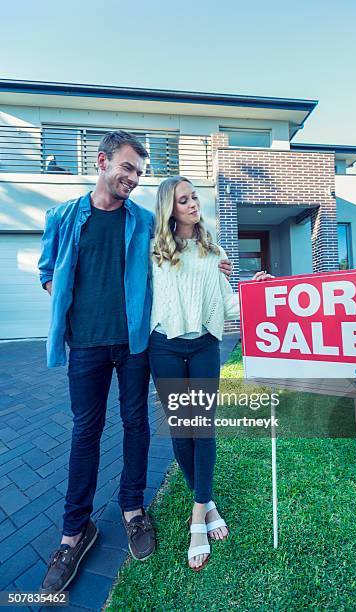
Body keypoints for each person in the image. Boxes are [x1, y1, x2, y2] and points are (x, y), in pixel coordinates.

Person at [37, 131, 233, 593]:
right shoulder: (63, 217)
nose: (132, 178)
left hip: (133, 345)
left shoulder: (143, 221)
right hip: (85, 345)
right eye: (126, 168)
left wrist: (217, 265)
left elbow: (180, 248)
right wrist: (68, 299)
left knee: (135, 424)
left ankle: (132, 510)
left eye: (139, 173)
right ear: (102, 162)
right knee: (85, 431)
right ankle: (74, 531)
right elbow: (48, 274)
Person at [149, 176, 271, 571]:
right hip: (164, 346)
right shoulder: (153, 251)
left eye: (194, 198)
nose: (192, 204)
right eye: (183, 200)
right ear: (170, 207)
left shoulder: (211, 250)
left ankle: (198, 514)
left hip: (203, 346)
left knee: (203, 428)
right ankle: (208, 500)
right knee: (180, 431)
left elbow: (225, 304)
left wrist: (252, 289)